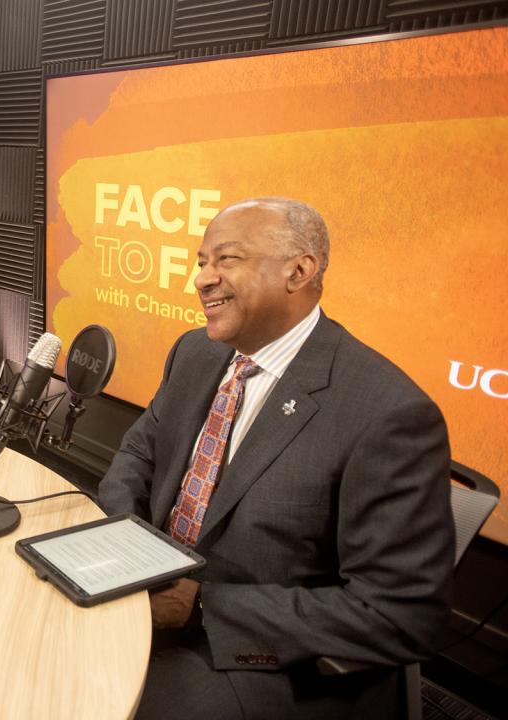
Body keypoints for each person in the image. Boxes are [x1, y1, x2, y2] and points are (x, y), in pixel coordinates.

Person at [98, 198, 454, 718]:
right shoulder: (194, 353)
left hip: (263, 655)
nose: (201, 279)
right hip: (148, 596)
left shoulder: (388, 415)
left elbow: (402, 615)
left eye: (227, 259)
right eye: (201, 261)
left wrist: (199, 606)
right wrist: (129, 550)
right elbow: (138, 451)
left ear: (299, 270)